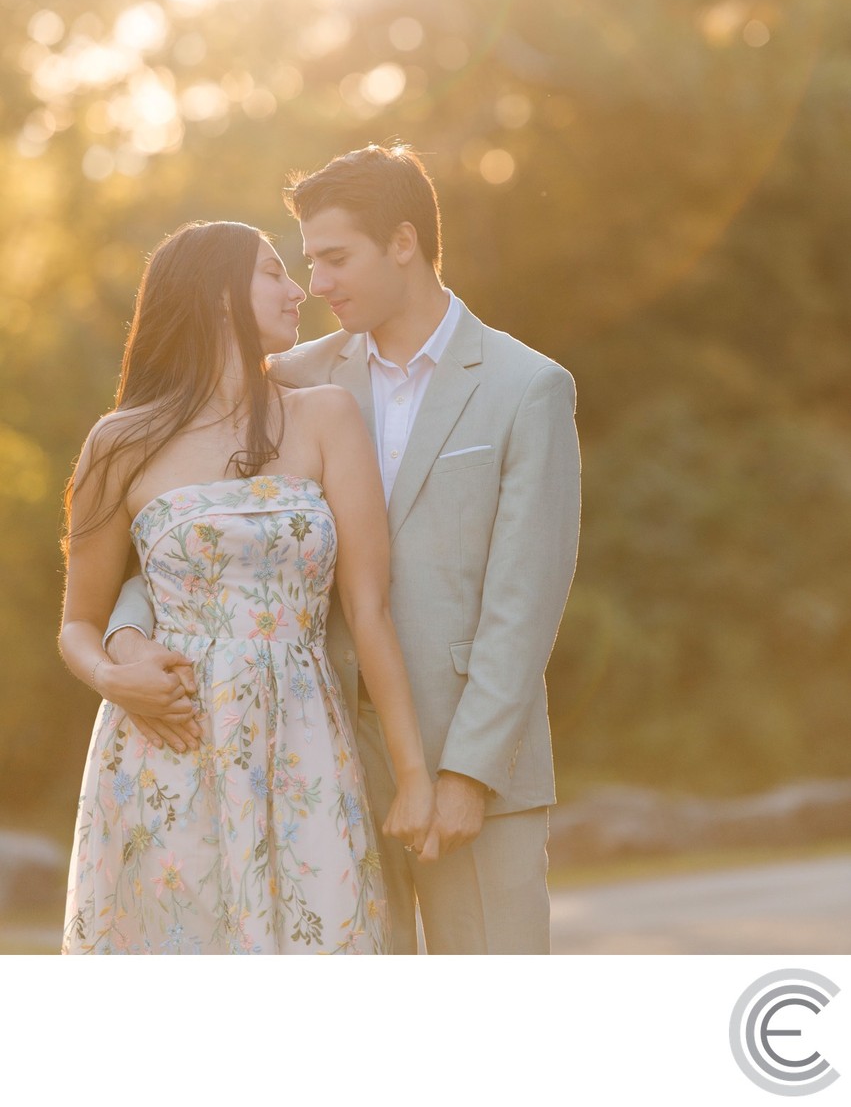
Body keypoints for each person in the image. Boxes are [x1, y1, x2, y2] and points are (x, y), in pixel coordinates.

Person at [109, 146, 581, 953]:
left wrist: (465, 776)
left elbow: (523, 604)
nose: (315, 284)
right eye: (305, 262)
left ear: (403, 242)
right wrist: (126, 637)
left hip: (473, 763)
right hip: (315, 767)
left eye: (335, 257)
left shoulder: (524, 387)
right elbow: (178, 519)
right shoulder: (290, 377)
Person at [59, 219, 436, 955]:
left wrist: (413, 774)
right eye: (274, 272)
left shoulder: (324, 415)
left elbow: (369, 611)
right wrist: (114, 676)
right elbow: (78, 620)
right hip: (167, 744)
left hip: (304, 747)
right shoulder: (121, 442)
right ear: (216, 293)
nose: (300, 291)